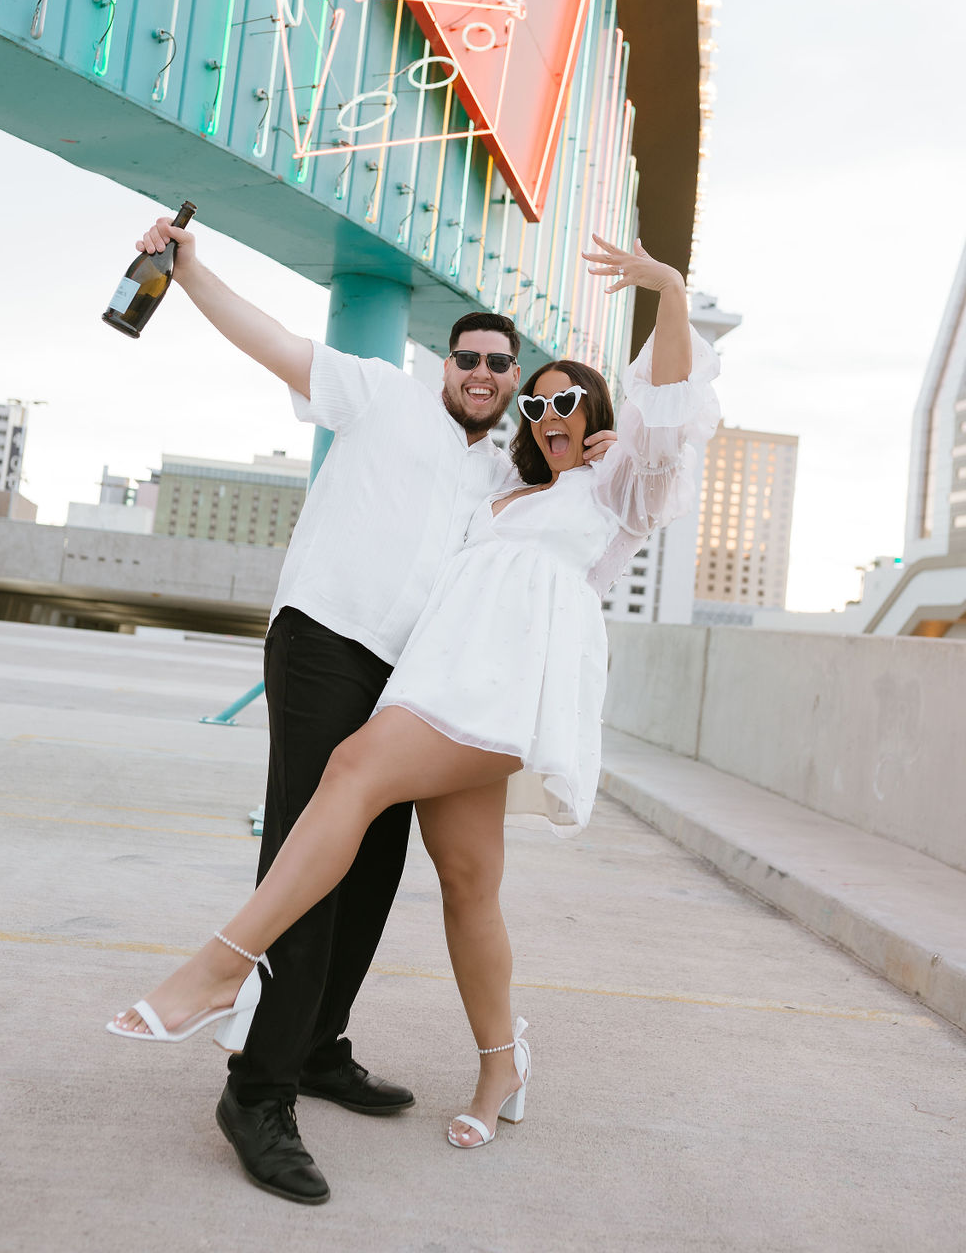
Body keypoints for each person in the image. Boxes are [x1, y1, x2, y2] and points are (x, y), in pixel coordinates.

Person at [108, 233, 721, 1166]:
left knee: (354, 782)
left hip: (497, 692)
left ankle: (225, 971)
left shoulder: (614, 487)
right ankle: (495, 1064)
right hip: (405, 670)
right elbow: (273, 339)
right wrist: (185, 269)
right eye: (536, 396)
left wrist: (667, 289)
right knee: (466, 890)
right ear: (463, 374)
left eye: (564, 396)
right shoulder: (480, 470)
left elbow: (669, 409)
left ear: (595, 414)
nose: (545, 405)